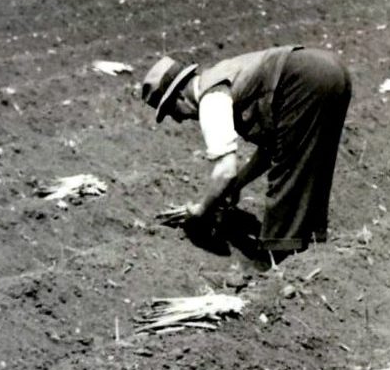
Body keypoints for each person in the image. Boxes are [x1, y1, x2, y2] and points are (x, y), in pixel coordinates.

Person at [141, 46, 352, 265]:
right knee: (314, 161)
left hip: (305, 78)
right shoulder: (223, 78)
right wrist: (238, 185)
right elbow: (270, 149)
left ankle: (274, 259)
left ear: (180, 97)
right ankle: (310, 250)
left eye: (172, 111)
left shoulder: (211, 99)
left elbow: (225, 171)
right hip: (332, 70)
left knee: (288, 171)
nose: (178, 120)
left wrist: (201, 210)